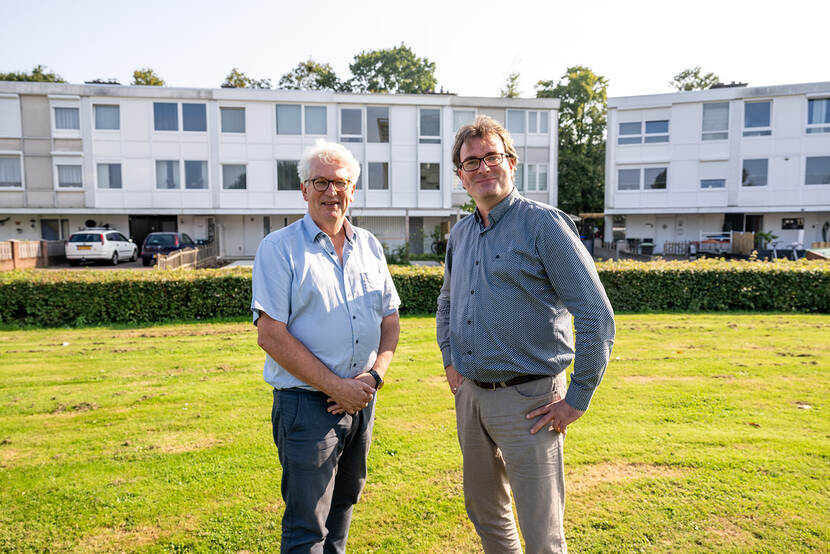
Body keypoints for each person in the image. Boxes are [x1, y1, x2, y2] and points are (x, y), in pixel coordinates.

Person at [436, 116, 615, 553]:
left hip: (532, 401)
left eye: (491, 157)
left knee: (541, 528)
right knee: (485, 510)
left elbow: (596, 314)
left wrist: (577, 398)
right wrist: (450, 361)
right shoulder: (460, 234)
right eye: (471, 162)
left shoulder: (544, 225)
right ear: (460, 176)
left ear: (511, 163)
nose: (482, 168)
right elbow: (446, 302)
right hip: (472, 397)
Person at [252, 139, 401, 553]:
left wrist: (373, 377)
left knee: (342, 510)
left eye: (340, 183)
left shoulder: (370, 246)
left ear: (353, 189)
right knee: (306, 527)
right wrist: (337, 387)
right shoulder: (279, 249)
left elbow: (390, 319)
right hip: (307, 407)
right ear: (303, 189)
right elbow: (271, 334)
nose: (331, 192)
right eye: (320, 182)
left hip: (362, 400)